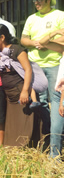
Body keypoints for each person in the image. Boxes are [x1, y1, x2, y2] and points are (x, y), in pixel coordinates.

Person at [21, 0, 64, 139]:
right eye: (35, 0)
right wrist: (35, 43)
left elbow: (63, 36)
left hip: (55, 64)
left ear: (48, 0)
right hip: (36, 65)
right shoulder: (31, 18)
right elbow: (23, 39)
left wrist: (47, 43)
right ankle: (47, 132)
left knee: (57, 100)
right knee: (41, 102)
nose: (37, 2)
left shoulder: (59, 15)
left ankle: (57, 135)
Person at [39, 28, 64, 158]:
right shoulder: (62, 48)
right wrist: (55, 33)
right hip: (58, 93)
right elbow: (43, 42)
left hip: (62, 95)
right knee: (56, 129)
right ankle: (54, 160)